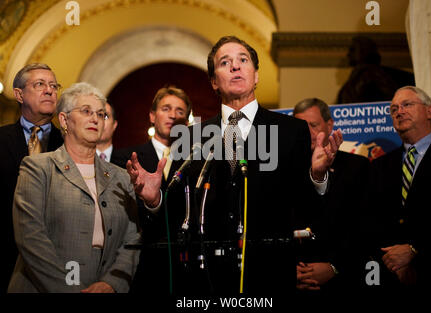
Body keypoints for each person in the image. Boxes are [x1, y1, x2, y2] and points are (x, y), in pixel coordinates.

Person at [126, 36, 343, 294]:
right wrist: (155, 199)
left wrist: (316, 176)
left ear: (256, 75)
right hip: (207, 281)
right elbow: (176, 217)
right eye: (225, 62)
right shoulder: (192, 136)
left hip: (269, 277)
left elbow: (306, 209)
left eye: (243, 60)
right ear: (214, 81)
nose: (235, 66)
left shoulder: (289, 130)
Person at [7, 82, 146, 293]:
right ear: (64, 120)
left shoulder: (121, 176)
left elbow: (132, 238)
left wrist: (112, 283)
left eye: (100, 114)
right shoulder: (37, 168)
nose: (95, 119)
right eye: (86, 111)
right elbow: (30, 238)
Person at [365, 86, 431, 294]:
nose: (399, 112)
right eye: (394, 109)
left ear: (429, 111)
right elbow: (370, 222)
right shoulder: (379, 166)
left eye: (407, 105)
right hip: (388, 279)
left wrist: (415, 252)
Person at [112, 86, 191, 293]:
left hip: (186, 265)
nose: (173, 115)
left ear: (187, 122)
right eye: (166, 108)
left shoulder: (197, 159)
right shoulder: (126, 158)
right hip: (143, 262)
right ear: (152, 116)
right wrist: (151, 202)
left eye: (180, 111)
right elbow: (124, 211)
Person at [293, 98, 370, 294]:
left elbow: (364, 227)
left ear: (329, 125)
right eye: (300, 125)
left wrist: (336, 267)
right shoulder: (285, 169)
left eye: (313, 124)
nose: (307, 131)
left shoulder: (357, 167)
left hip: (344, 282)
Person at [0, 63, 64, 291]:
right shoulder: (2, 139)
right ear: (19, 94)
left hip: (59, 262)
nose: (49, 90)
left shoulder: (69, 145)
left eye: (53, 86)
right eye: (39, 84)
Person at [337, 36, 415, 104]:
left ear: (364, 50)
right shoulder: (355, 78)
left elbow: (391, 97)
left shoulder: (373, 74)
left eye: (352, 50)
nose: (348, 54)